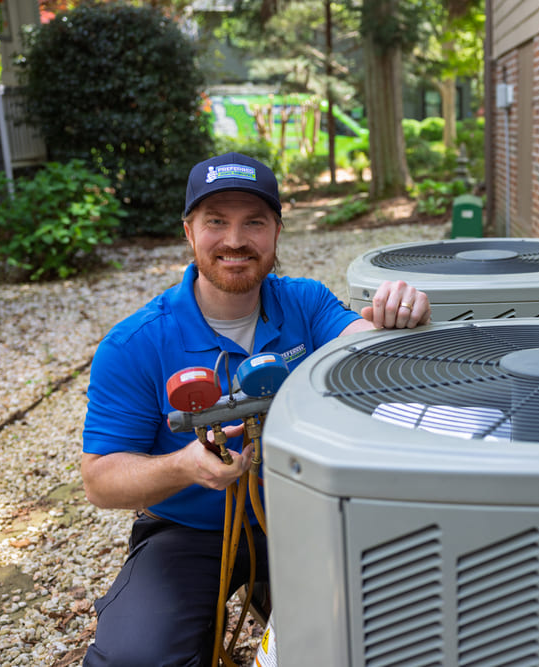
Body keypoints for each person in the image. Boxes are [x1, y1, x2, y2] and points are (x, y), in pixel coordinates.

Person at [80, 152, 430, 666]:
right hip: (188, 532)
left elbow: (364, 347)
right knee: (136, 658)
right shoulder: (135, 343)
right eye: (216, 222)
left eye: (254, 222)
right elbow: (100, 480)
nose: (235, 239)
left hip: (308, 514)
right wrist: (183, 467)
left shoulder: (306, 304)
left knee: (393, 627)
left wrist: (399, 315)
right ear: (188, 232)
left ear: (277, 232)